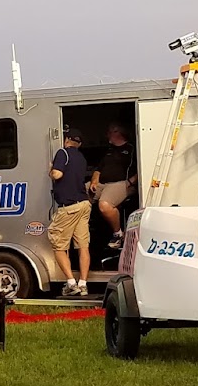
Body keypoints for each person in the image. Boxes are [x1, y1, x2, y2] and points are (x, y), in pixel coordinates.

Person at [48, 127, 93, 296]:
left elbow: (57, 174)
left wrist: (51, 170)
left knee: (58, 244)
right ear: (79, 143)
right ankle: (83, 284)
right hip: (84, 204)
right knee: (83, 245)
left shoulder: (62, 153)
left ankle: (71, 283)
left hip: (69, 208)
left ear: (66, 139)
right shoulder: (81, 158)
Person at [92, 122, 135, 252]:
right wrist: (94, 181)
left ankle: (118, 234)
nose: (108, 134)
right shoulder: (109, 151)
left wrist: (130, 182)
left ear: (118, 133)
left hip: (121, 183)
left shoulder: (131, 149)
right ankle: (80, 233)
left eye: (110, 131)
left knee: (104, 205)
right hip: (102, 184)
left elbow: (143, 166)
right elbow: (98, 170)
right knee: (76, 194)